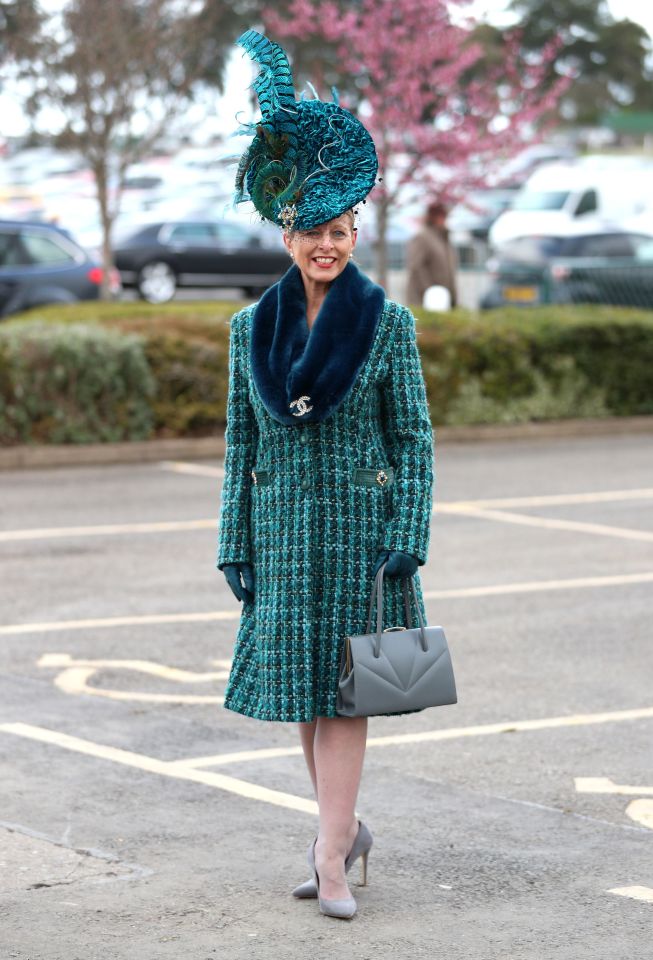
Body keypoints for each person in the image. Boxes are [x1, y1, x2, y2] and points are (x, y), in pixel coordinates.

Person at [216, 30, 434, 921]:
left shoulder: (387, 327)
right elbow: (240, 444)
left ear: (353, 234)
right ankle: (339, 831)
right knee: (307, 697)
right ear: (290, 233)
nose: (327, 247)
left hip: (358, 542)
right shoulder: (248, 333)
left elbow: (413, 439)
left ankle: (331, 857)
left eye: (340, 233)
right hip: (280, 539)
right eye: (313, 231)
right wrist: (232, 539)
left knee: (347, 701)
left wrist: (407, 536)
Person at [405, 200, 458, 308]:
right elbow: (416, 267)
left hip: (444, 299)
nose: (444, 220)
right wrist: (430, 291)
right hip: (427, 300)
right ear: (432, 217)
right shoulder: (422, 237)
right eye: (441, 216)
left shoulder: (443, 238)